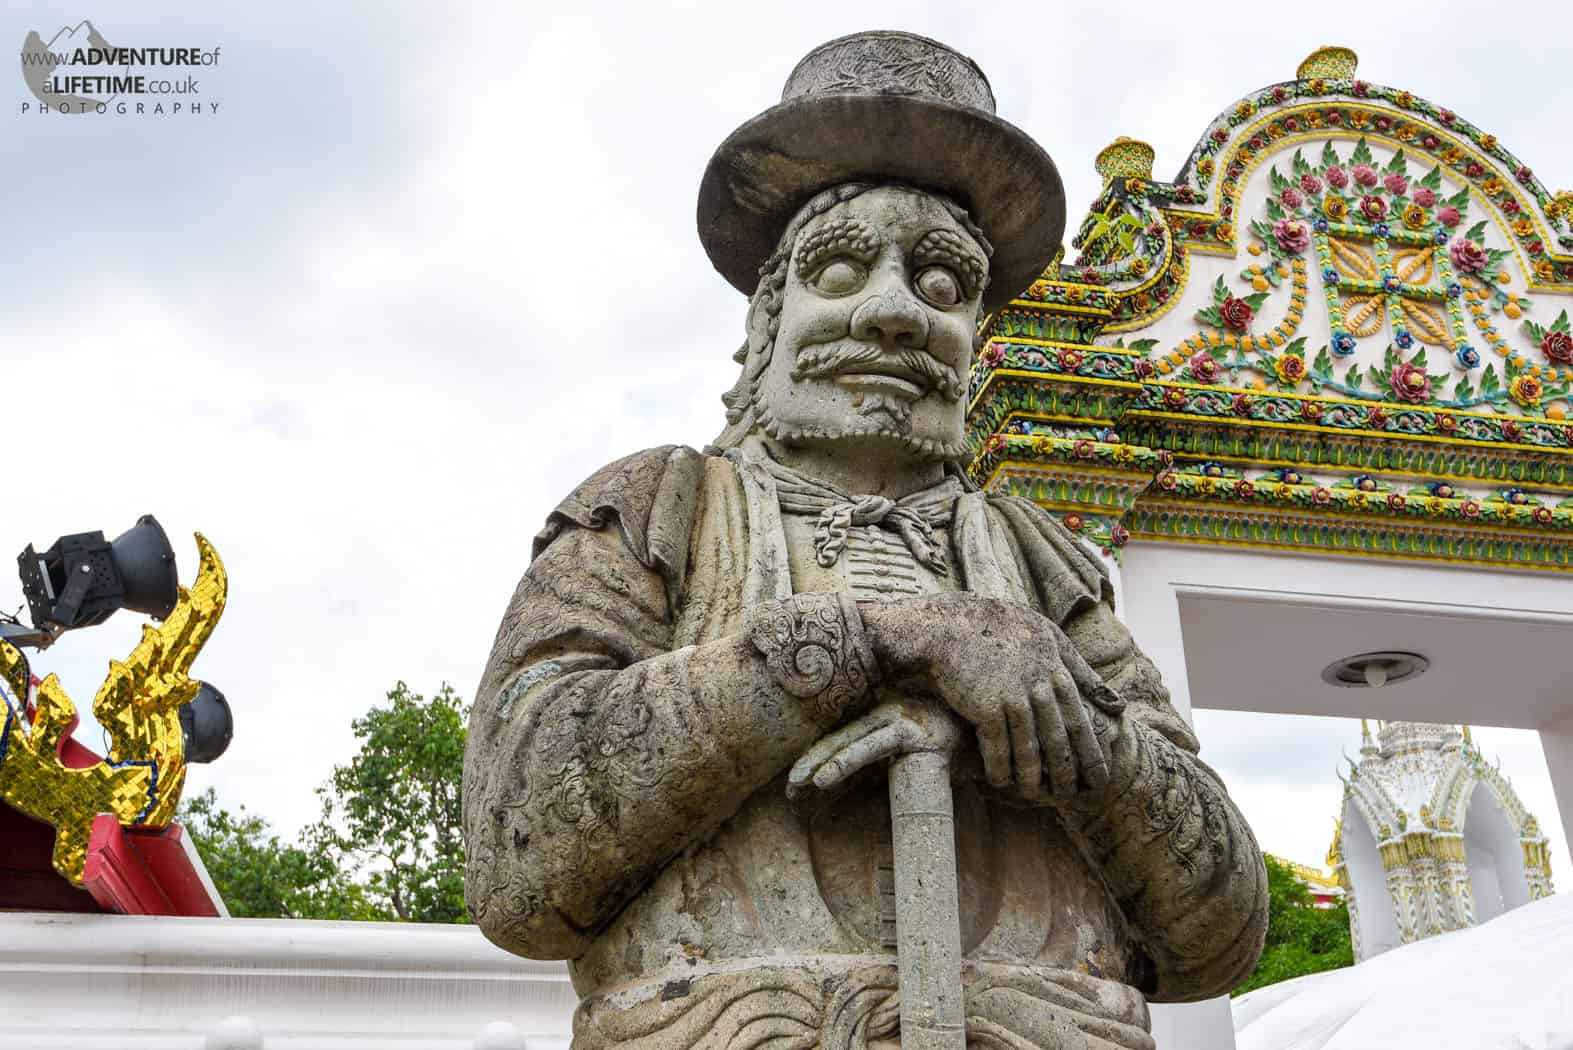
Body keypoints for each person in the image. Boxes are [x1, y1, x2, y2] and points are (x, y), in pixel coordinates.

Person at [463, 32, 1266, 1050]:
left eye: (941, 286)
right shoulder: (660, 507)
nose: (892, 312)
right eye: (840, 268)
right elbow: (519, 857)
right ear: (767, 318)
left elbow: (1217, 930)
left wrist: (1053, 729)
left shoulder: (1039, 565)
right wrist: (876, 642)